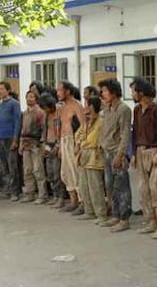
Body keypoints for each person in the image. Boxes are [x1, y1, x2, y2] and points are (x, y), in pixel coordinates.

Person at [130, 77, 157, 239]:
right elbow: (134, 133)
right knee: (143, 189)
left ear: (141, 92)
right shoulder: (137, 110)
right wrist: (132, 154)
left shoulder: (156, 109)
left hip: (153, 152)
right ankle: (150, 220)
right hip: (140, 151)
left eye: (133, 91)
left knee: (155, 188)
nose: (132, 94)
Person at [98, 79, 132, 232]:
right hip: (106, 152)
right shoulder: (107, 109)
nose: (103, 94)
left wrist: (120, 155)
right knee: (110, 185)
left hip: (117, 152)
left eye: (105, 91)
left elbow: (125, 134)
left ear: (113, 92)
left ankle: (124, 219)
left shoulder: (123, 109)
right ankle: (115, 215)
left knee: (121, 186)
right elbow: (104, 130)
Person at [76, 96, 107, 224]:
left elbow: (93, 140)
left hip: (94, 157)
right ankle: (89, 211)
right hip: (83, 157)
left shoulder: (100, 121)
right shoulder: (85, 122)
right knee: (84, 186)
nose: (85, 108)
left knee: (95, 187)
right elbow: (77, 135)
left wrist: (81, 143)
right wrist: (80, 141)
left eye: (87, 105)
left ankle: (101, 214)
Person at [57, 81, 85, 213]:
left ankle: (82, 202)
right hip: (64, 141)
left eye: (60, 90)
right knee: (66, 173)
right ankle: (73, 200)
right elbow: (60, 126)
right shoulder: (61, 107)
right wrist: (59, 145)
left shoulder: (77, 105)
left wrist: (79, 144)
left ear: (68, 91)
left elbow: (83, 126)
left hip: (73, 141)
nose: (58, 93)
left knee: (76, 172)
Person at [19, 91, 48, 204]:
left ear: (36, 99)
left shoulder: (40, 112)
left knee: (38, 170)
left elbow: (44, 129)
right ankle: (30, 193)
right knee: (27, 170)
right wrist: (21, 143)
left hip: (36, 143)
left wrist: (42, 143)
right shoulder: (25, 113)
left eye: (31, 97)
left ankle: (42, 195)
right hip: (26, 143)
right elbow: (22, 129)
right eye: (27, 97)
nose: (29, 99)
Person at [38, 93, 66, 208]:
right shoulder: (46, 115)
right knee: (49, 172)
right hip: (48, 143)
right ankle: (55, 195)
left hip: (58, 143)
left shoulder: (60, 111)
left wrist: (59, 145)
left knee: (57, 172)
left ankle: (61, 197)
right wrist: (43, 144)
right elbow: (44, 130)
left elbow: (65, 129)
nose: (44, 110)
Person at [0, 81, 22, 201]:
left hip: (10, 138)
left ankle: (15, 191)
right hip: (0, 138)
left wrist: (15, 139)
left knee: (13, 166)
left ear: (8, 90)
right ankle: (7, 189)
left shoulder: (14, 104)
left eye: (1, 89)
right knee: (3, 166)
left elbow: (17, 122)